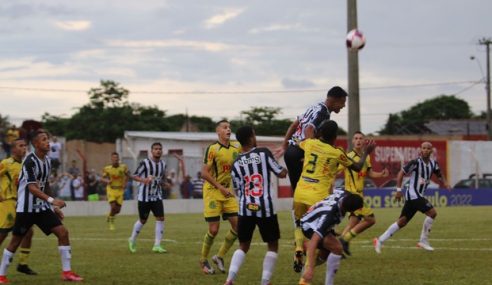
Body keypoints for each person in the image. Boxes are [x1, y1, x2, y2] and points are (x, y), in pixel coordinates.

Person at [0, 130, 83, 283]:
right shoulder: (30, 161)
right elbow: (32, 188)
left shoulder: (47, 160)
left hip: (42, 208)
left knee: (63, 233)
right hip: (26, 209)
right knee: (15, 241)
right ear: (36, 144)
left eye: (48, 139)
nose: (48, 142)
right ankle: (1, 275)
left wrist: (53, 207)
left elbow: (45, 185)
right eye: (44, 140)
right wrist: (53, 201)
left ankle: (67, 272)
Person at [292, 120, 375, 272]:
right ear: (335, 136)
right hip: (317, 198)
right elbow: (357, 167)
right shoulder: (337, 153)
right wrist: (367, 152)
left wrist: (307, 132)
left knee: (299, 223)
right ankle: (308, 267)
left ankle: (298, 247)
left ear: (320, 133)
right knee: (326, 242)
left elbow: (299, 141)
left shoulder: (310, 144)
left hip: (299, 193)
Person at [224, 126, 287, 285]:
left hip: (245, 208)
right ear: (251, 137)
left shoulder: (236, 162)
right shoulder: (263, 153)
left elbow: (237, 190)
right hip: (265, 207)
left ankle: (230, 279)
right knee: (272, 245)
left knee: (243, 245)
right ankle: (265, 282)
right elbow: (281, 173)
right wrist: (283, 165)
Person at [373, 141, 451, 253]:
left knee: (402, 222)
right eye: (423, 148)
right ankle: (423, 241)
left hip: (416, 196)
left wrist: (446, 182)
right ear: (420, 150)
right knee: (432, 213)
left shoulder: (434, 164)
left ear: (431, 151)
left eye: (428, 148)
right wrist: (399, 190)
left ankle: (379, 240)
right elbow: (401, 174)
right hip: (413, 195)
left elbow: (439, 174)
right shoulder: (415, 162)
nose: (425, 150)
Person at [277, 87, 348, 193]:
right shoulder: (323, 112)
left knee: (298, 190)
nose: (344, 106)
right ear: (334, 100)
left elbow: (294, 124)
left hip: (292, 151)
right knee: (310, 190)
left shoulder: (315, 106)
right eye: (342, 102)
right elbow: (308, 129)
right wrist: (309, 153)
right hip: (300, 153)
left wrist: (284, 145)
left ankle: (297, 209)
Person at [199, 120, 241, 275]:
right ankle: (203, 260)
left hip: (227, 192)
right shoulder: (213, 149)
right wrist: (221, 187)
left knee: (238, 227)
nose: (228, 129)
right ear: (218, 132)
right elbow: (204, 173)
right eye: (225, 127)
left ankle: (219, 256)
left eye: (230, 127)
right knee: (214, 230)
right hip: (212, 191)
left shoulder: (237, 146)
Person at [337, 131, 389, 255]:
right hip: (352, 195)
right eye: (356, 138)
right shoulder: (348, 157)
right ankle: (344, 240)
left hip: (359, 195)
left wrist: (381, 174)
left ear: (364, 141)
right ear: (353, 141)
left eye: (361, 138)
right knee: (371, 220)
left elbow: (369, 173)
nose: (358, 140)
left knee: (354, 221)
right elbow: (335, 170)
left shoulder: (366, 157)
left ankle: (338, 248)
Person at [298, 191, 364, 285]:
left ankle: (305, 266)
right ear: (350, 210)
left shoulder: (345, 193)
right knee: (337, 248)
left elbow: (332, 189)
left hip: (318, 218)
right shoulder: (330, 216)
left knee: (326, 254)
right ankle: (304, 250)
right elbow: (314, 241)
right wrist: (310, 269)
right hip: (309, 225)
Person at [0, 138, 37, 275]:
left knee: (28, 232)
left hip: (21, 203)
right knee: (3, 234)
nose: (24, 148)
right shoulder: (6, 163)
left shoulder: (26, 165)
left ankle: (22, 264)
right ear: (13, 149)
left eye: (25, 145)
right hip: (8, 202)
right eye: (21, 145)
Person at [128, 142, 168, 254]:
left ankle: (157, 245)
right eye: (156, 149)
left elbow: (162, 178)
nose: (158, 151)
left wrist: (164, 183)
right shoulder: (145, 163)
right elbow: (134, 175)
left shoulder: (163, 164)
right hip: (144, 197)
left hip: (157, 196)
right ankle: (132, 239)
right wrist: (143, 180)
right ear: (151, 151)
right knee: (143, 220)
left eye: (160, 149)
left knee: (160, 218)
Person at [101, 152, 130, 230]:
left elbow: (128, 175)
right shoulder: (107, 168)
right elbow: (102, 178)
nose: (115, 159)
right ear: (111, 159)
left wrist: (125, 183)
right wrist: (107, 181)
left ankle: (109, 215)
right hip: (111, 190)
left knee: (118, 211)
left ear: (118, 159)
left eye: (116, 158)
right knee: (113, 207)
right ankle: (111, 223)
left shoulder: (123, 167)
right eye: (113, 158)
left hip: (120, 190)